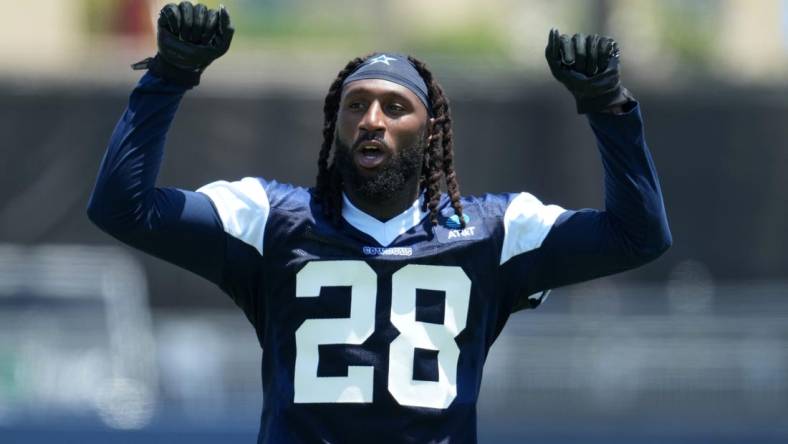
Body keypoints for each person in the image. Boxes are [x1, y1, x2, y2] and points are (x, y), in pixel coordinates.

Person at [87, 2, 671, 443]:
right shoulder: (270, 220)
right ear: (334, 126)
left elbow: (638, 236)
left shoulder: (493, 231)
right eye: (355, 105)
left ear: (430, 130)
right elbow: (122, 207)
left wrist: (609, 108)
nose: (372, 120)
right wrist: (167, 76)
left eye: (394, 107)